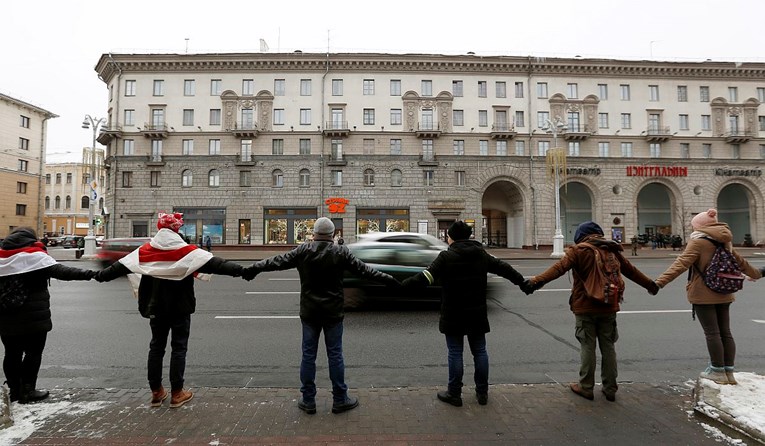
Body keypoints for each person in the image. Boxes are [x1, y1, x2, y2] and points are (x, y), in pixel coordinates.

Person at [245, 217, 399, 415]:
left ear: (314, 234)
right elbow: (366, 271)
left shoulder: (303, 251)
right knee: (335, 354)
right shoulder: (340, 252)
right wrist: (390, 280)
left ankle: (308, 400)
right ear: (333, 235)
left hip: (309, 312)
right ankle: (340, 399)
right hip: (333, 312)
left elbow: (276, 261)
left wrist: (253, 269)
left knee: (308, 355)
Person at [95, 213, 248, 408]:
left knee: (156, 347)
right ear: (176, 229)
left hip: (155, 308)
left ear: (159, 229)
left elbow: (120, 267)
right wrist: (242, 271)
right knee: (178, 348)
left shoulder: (145, 250)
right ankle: (177, 393)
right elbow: (215, 264)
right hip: (180, 308)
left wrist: (98, 276)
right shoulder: (185, 250)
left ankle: (157, 392)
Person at [523, 221, 659, 402]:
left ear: (581, 236)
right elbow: (631, 271)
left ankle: (586, 387)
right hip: (609, 304)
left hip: (585, 305)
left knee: (588, 345)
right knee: (608, 347)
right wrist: (651, 285)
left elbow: (559, 269)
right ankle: (610, 388)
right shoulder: (612, 250)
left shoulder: (579, 250)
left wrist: (535, 282)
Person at [402, 220, 529, 407]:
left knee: (455, 352)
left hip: (453, 312)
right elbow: (504, 268)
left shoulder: (446, 257)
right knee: (480, 351)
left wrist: (402, 285)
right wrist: (523, 283)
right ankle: (482, 392)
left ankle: (454, 394)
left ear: (451, 237)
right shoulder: (481, 255)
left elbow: (425, 278)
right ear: (468, 236)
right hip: (476, 312)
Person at [655, 209, 761, 385]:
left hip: (703, 293)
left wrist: (659, 283)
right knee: (725, 332)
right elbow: (740, 262)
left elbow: (681, 264)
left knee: (712, 333)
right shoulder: (725, 240)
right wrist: (757, 273)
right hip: (724, 291)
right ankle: (729, 372)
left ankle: (717, 371)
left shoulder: (698, 242)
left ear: (699, 227)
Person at [0, 227, 96, 403]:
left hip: (5, 317)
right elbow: (63, 272)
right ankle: (28, 391)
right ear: (31, 239)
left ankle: (14, 390)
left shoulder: (2, 257)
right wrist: (92, 274)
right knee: (33, 353)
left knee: (11, 353)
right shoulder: (35, 257)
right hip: (33, 318)